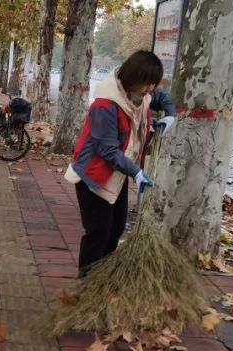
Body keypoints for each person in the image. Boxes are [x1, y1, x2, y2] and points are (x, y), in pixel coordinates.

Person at [64, 50, 176, 277]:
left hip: (118, 174)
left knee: (115, 228)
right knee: (98, 231)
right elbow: (106, 150)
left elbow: (162, 98)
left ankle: (102, 277)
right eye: (147, 84)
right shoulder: (105, 105)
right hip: (93, 175)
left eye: (152, 85)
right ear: (134, 78)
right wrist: (136, 172)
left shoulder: (139, 95)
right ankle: (87, 282)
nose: (150, 91)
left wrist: (170, 115)